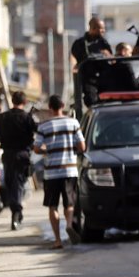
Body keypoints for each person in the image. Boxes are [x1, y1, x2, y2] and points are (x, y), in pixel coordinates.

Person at [33, 95, 85, 249]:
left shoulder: (44, 126)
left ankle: (57, 240)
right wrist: (71, 148)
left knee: (52, 206)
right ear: (63, 105)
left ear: (50, 108)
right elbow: (82, 147)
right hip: (69, 170)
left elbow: (36, 148)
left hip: (51, 172)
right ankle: (69, 224)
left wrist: (47, 150)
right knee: (69, 203)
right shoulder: (73, 122)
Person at [0, 91, 37, 230]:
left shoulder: (3, 117)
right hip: (22, 155)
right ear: (24, 102)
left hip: (8, 155)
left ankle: (16, 212)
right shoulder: (27, 118)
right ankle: (16, 212)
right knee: (18, 184)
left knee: (12, 183)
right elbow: (35, 134)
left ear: (12, 100)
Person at [71, 17, 113, 106]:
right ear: (93, 28)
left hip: (104, 79)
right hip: (89, 79)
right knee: (92, 102)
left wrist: (107, 56)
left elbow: (111, 59)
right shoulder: (80, 43)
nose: (103, 31)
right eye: (101, 28)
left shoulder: (104, 43)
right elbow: (81, 58)